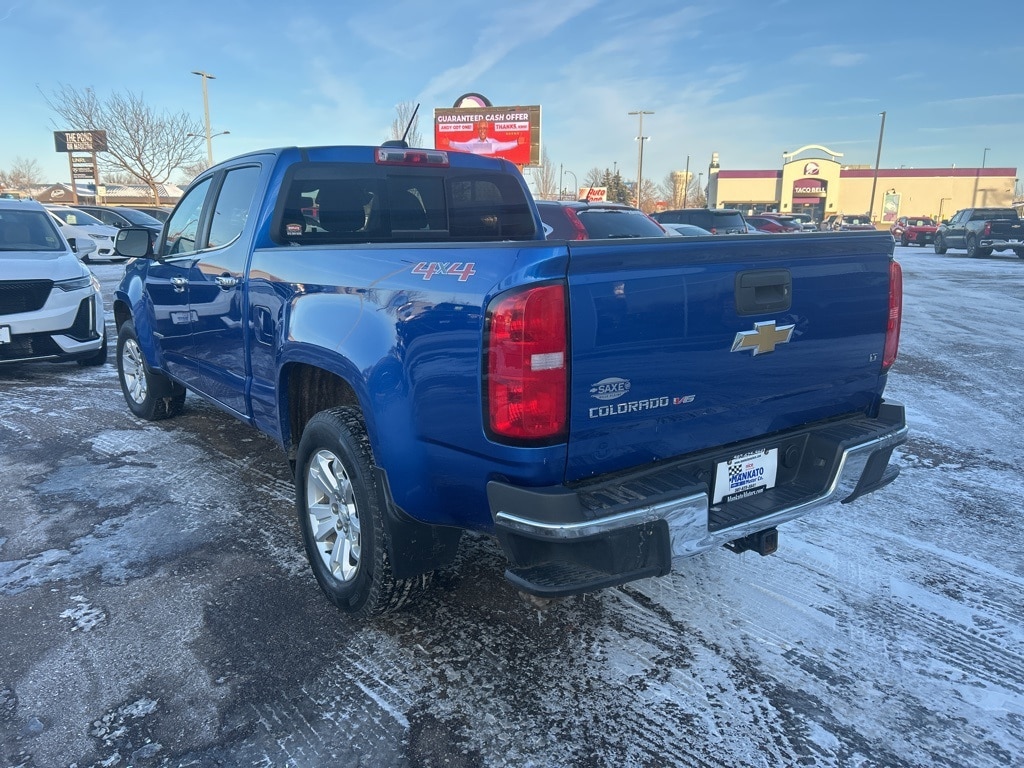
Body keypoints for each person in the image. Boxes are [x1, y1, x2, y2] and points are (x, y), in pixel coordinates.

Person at [445, 122, 521, 156]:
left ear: (487, 130)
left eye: (484, 128)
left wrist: (516, 142)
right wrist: (449, 143)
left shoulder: (492, 142)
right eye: (480, 128)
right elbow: (461, 145)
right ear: (478, 130)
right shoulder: (473, 143)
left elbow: (504, 145)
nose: (482, 130)